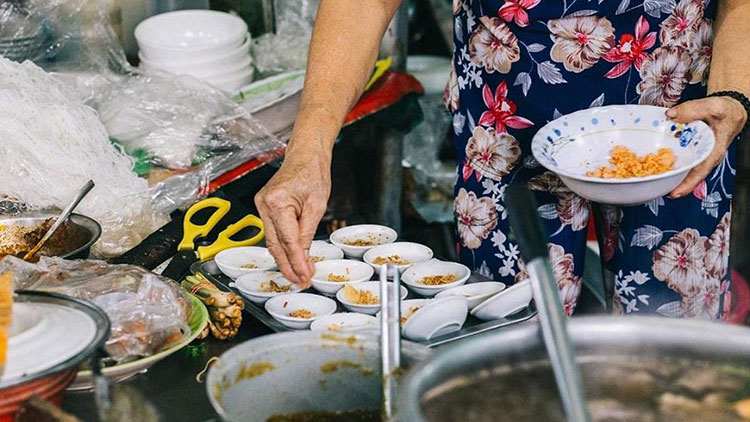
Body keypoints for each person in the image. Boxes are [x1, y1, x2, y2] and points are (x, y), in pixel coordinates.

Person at [255, 0, 749, 319]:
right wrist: (309, 149)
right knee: (513, 343)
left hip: (678, 129)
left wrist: (733, 93)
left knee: (669, 354)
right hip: (506, 124)